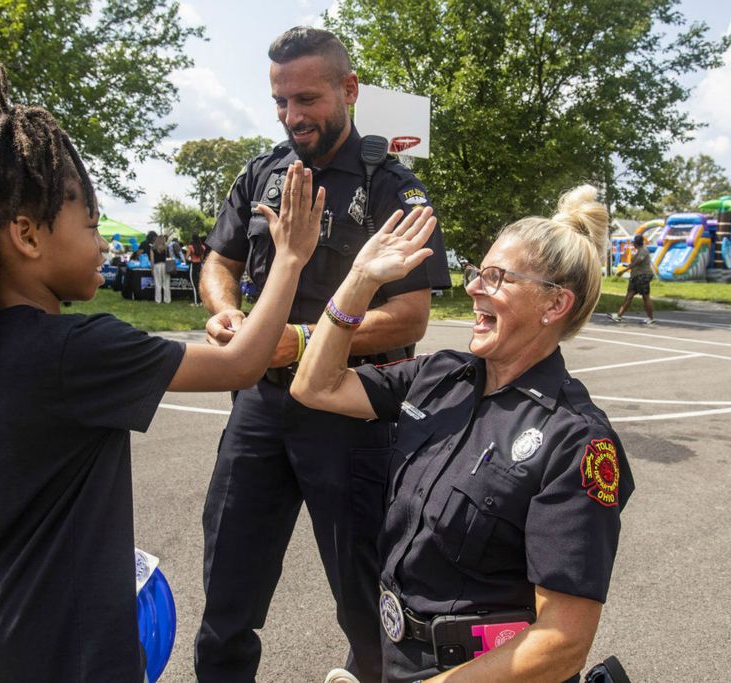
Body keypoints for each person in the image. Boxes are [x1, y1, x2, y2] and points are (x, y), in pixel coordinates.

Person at [0, 65, 325, 683]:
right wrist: (290, 257)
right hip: (68, 655)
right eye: (92, 225)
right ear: (27, 234)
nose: (102, 244)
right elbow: (244, 361)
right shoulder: (77, 349)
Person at [292, 187, 635, 682]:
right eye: (478, 272)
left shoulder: (576, 440)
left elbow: (563, 643)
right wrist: (359, 281)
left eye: (496, 278)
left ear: (554, 303)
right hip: (392, 655)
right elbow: (315, 386)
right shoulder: (439, 376)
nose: (473, 288)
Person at [195, 26, 451, 683]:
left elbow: (412, 313)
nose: (292, 116)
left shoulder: (394, 187)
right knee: (227, 587)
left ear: (349, 89)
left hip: (349, 410)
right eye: (280, 101)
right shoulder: (262, 172)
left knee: (364, 595)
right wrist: (224, 309)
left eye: (307, 99)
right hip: (259, 403)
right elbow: (217, 262)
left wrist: (306, 341)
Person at [608, 234, 655, 325]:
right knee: (629, 296)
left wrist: (624, 270)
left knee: (645, 297)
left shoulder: (643, 251)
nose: (633, 244)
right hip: (635, 277)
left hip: (643, 276)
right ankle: (618, 316)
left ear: (636, 243)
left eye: (634, 242)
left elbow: (638, 262)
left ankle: (650, 318)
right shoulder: (639, 251)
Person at [149, 232, 171, 303]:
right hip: (165, 265)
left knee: (158, 283)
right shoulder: (167, 248)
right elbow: (170, 258)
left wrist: (152, 269)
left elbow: (152, 260)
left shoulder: (152, 248)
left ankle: (158, 300)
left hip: (156, 266)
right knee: (166, 283)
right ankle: (167, 300)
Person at [186, 232, 205, 305]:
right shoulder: (202, 247)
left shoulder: (190, 247)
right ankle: (201, 301)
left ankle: (196, 302)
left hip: (193, 265)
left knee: (194, 284)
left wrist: (190, 259)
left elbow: (187, 258)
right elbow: (202, 258)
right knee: (199, 283)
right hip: (199, 265)